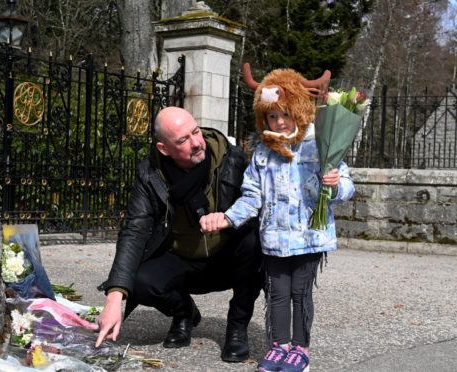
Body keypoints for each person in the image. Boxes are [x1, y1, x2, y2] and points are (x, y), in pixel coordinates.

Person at [200, 68, 355, 372]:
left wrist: (335, 183)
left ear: (298, 110)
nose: (279, 122)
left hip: (309, 238)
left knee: (300, 292)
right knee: (277, 295)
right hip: (274, 239)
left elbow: (347, 189)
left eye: (285, 114)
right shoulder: (262, 154)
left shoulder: (320, 147)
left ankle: (300, 348)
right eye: (272, 117)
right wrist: (228, 218)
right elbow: (251, 196)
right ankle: (279, 346)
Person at [95, 106, 263, 363]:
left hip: (228, 258)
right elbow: (134, 230)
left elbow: (257, 203)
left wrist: (229, 219)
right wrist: (114, 296)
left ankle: (237, 327)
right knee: (139, 281)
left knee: (254, 243)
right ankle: (183, 312)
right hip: (182, 258)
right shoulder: (150, 173)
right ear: (164, 149)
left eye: (196, 132)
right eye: (183, 140)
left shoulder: (231, 158)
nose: (197, 143)